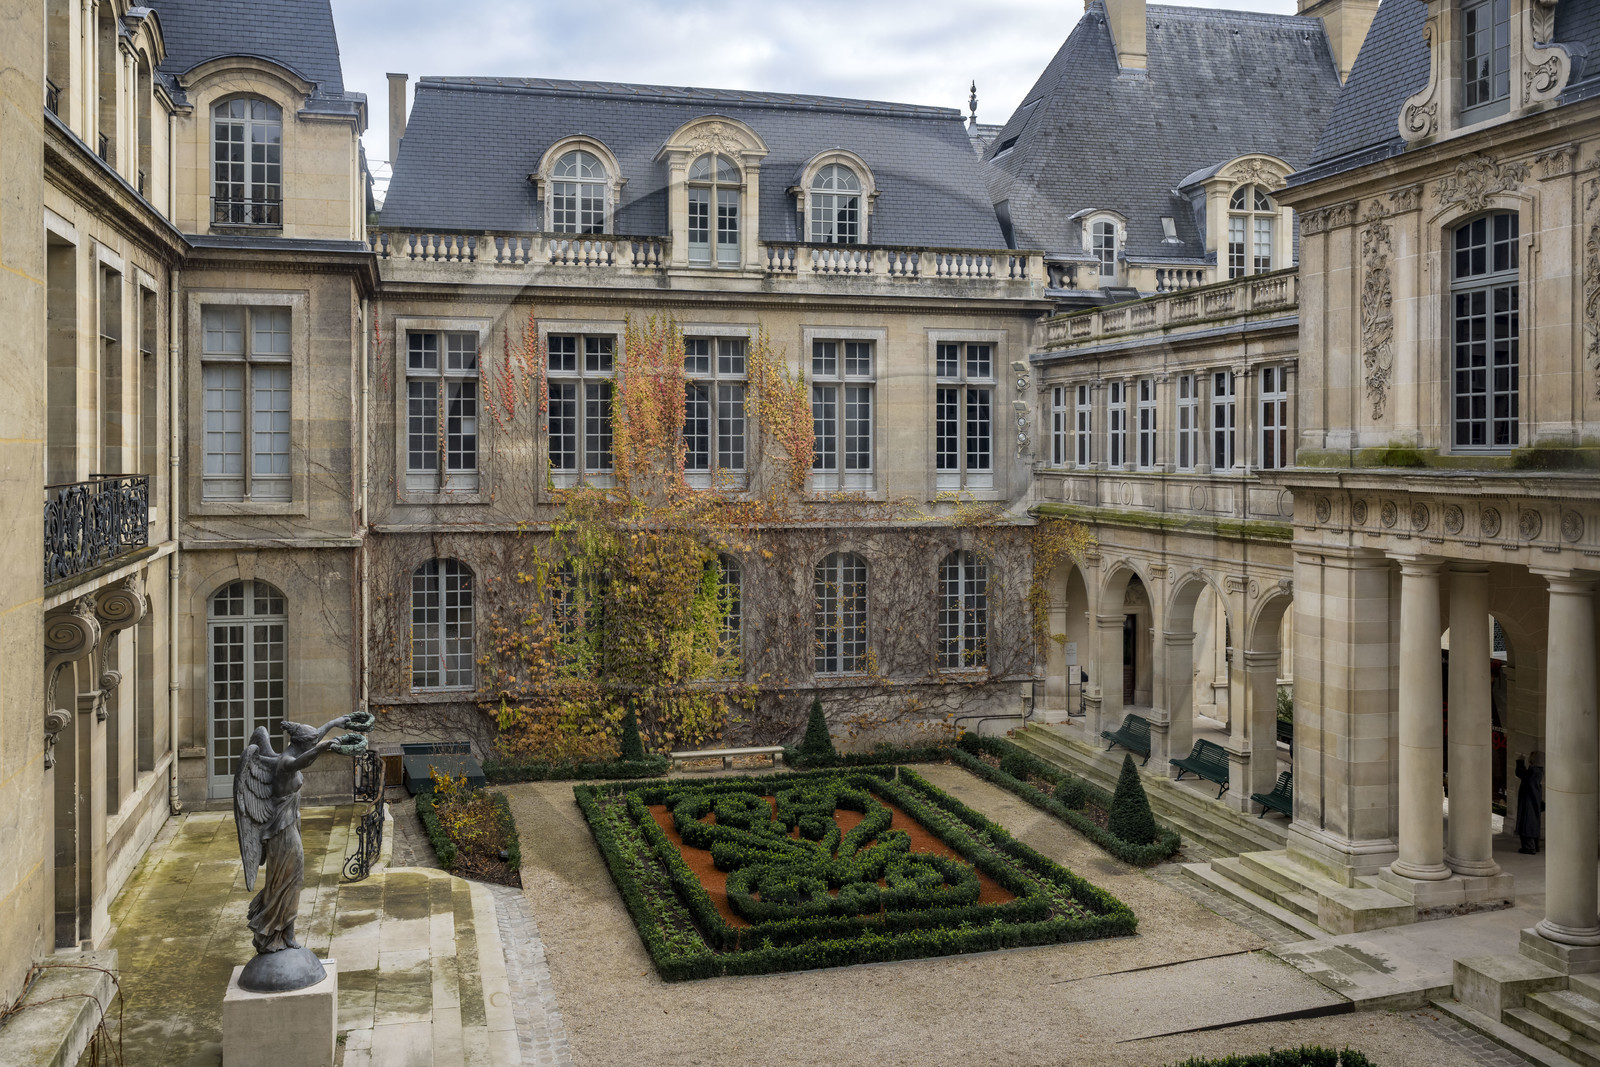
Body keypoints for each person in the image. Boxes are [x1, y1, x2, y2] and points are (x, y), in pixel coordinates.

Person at [1514, 750, 1544, 855]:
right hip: (1532, 800)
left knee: (1527, 823)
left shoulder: (1533, 772)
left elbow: (1521, 774)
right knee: (1532, 822)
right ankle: (1534, 846)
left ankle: (1529, 848)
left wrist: (1520, 762)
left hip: (1528, 801)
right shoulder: (1538, 772)